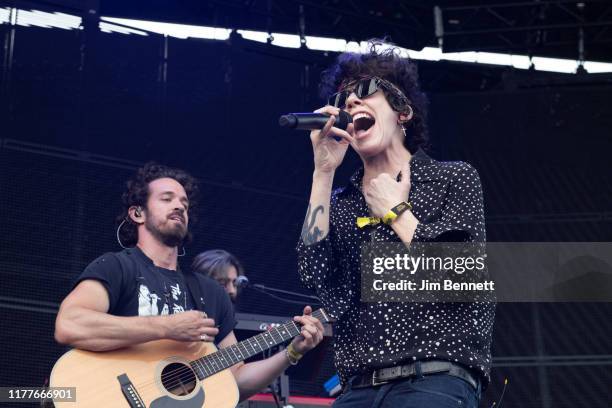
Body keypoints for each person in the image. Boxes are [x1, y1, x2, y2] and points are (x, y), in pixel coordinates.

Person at [297, 41, 495, 407]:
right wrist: (322, 173)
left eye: (366, 91)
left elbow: (461, 280)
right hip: (357, 388)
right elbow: (314, 274)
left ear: (403, 110)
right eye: (344, 99)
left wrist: (395, 211)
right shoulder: (342, 202)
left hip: (433, 379)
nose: (352, 103)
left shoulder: (451, 179)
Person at [55, 162, 324, 402]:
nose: (179, 206)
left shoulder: (210, 292)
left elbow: (237, 379)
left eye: (184, 203)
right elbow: (69, 324)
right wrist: (165, 327)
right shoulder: (116, 266)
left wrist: (291, 353)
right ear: (138, 213)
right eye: (167, 199)